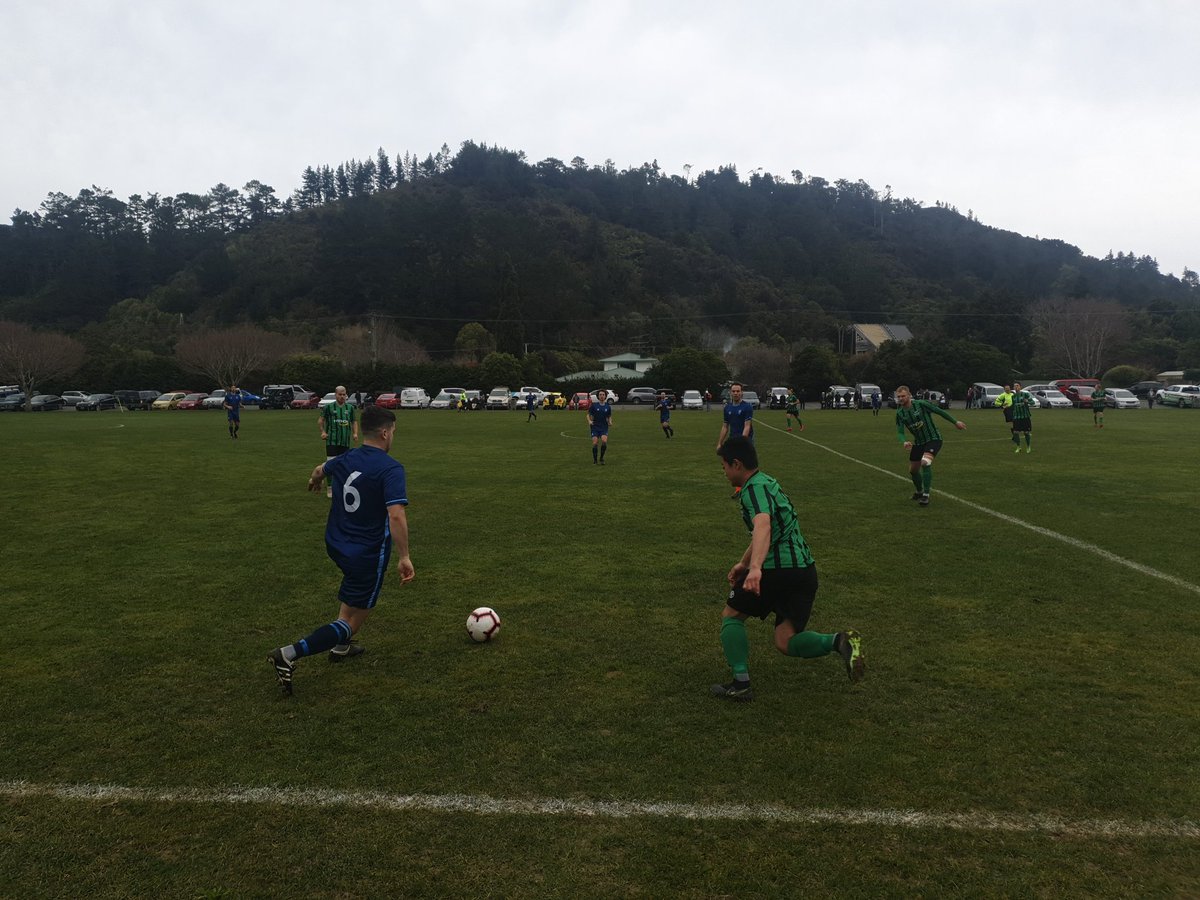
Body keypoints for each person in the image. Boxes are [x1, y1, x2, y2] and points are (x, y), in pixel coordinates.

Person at [268, 405, 413, 696]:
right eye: (393, 432)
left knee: (352, 595)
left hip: (337, 543)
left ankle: (340, 647)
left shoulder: (347, 456)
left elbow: (321, 469)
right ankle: (289, 653)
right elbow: (396, 515)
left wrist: (314, 480)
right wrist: (404, 557)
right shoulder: (390, 468)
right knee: (352, 620)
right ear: (385, 433)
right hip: (367, 552)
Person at [710, 437, 864, 701]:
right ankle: (839, 641)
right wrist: (744, 563)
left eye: (724, 466)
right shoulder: (768, 482)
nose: (723, 472)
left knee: (732, 615)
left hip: (776, 570)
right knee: (785, 641)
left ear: (736, 464)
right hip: (804, 571)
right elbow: (771, 531)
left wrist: (756, 568)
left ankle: (741, 683)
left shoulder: (753, 489)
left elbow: (763, 526)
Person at [894, 385, 966, 507]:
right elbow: (900, 432)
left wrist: (955, 422)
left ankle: (926, 495)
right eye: (899, 396)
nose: (901, 398)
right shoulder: (900, 413)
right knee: (913, 471)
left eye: (903, 396)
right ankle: (919, 491)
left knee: (925, 462)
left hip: (933, 438)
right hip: (919, 442)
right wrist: (904, 441)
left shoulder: (921, 404)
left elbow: (940, 411)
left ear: (909, 395)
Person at [319, 385, 360, 499]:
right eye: (340, 394)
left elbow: (354, 421)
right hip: (332, 440)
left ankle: (342, 486)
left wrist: (355, 433)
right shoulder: (328, 407)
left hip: (345, 441)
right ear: (335, 394)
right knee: (331, 463)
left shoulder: (350, 408)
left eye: (344, 395)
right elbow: (321, 420)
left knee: (343, 465)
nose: (342, 397)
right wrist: (323, 432)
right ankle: (330, 487)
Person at [717, 382, 754, 447]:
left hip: (745, 440)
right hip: (732, 439)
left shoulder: (747, 407)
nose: (735, 393)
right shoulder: (727, 408)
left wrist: (742, 442)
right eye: (733, 391)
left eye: (738, 391)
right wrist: (720, 443)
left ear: (742, 392)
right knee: (726, 456)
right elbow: (725, 427)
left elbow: (747, 426)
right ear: (730, 393)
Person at [588, 389, 613, 464]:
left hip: (604, 427)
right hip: (595, 427)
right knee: (595, 443)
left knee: (604, 441)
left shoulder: (608, 407)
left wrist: (610, 421)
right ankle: (595, 460)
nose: (602, 396)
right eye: (600, 395)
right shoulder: (594, 405)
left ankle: (601, 458)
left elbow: (609, 416)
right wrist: (589, 421)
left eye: (603, 395)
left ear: (605, 396)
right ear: (598, 396)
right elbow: (588, 415)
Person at [1010, 381, 1033, 453]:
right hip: (1017, 417)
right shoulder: (1013, 396)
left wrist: (1027, 401)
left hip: (1025, 416)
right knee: (1015, 432)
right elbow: (1013, 406)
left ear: (1020, 387)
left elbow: (1033, 402)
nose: (1016, 387)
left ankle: (1028, 447)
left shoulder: (1025, 394)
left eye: (1017, 386)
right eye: (1014, 386)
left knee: (1026, 432)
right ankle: (1018, 447)